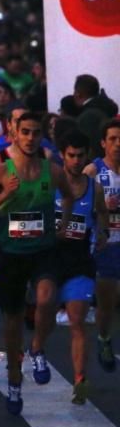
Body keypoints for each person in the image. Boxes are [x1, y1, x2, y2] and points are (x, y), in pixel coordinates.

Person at [0, 112, 74, 415]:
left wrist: (62, 226)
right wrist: (5, 194)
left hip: (43, 249)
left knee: (46, 299)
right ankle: (14, 381)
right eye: (25, 132)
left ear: (42, 135)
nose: (31, 138)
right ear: (14, 134)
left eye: (36, 132)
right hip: (12, 254)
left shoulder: (53, 171)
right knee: (13, 321)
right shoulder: (2, 171)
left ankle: (38, 347)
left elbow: (68, 197)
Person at [56, 130, 109, 403]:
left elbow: (101, 214)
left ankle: (79, 378)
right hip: (49, 263)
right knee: (35, 317)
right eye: (71, 156)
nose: (76, 161)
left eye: (80, 156)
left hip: (80, 263)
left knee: (77, 321)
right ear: (63, 156)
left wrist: (102, 233)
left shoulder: (94, 187)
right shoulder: (50, 183)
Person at [84, 118, 120, 372]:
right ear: (103, 143)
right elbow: (77, 207)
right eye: (113, 139)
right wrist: (100, 211)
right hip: (105, 243)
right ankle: (104, 337)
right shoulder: (93, 171)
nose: (118, 144)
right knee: (108, 301)